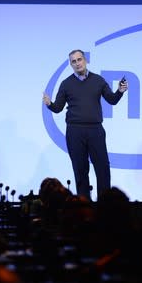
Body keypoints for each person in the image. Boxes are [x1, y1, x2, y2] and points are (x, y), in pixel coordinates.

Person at [43, 49, 128, 200]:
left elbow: (112, 99)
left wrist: (120, 91)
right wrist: (49, 104)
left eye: (79, 59)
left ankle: (104, 206)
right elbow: (58, 108)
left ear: (86, 60)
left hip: (95, 130)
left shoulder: (98, 80)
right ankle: (84, 206)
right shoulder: (66, 84)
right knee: (80, 170)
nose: (77, 63)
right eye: (73, 61)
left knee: (102, 169)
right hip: (75, 131)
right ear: (71, 64)